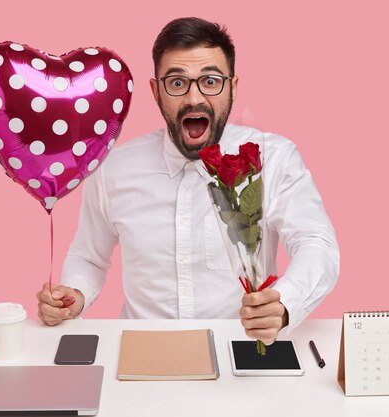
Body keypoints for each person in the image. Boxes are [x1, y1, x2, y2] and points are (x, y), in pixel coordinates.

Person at [36, 17, 340, 345]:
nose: (194, 98)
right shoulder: (113, 167)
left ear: (233, 87)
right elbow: (88, 256)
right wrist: (73, 295)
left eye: (210, 81)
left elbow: (315, 243)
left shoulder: (274, 158)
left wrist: (285, 302)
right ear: (156, 91)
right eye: (177, 83)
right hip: (142, 350)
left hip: (239, 348)